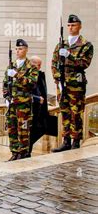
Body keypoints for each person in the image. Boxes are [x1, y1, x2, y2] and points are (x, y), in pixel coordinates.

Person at [52, 14, 94, 152]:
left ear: (80, 26)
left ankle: (76, 141)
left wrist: (69, 55)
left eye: (74, 25)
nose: (71, 28)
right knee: (65, 111)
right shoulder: (61, 44)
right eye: (69, 25)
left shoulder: (86, 45)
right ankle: (66, 141)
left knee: (76, 112)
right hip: (62, 84)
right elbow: (54, 63)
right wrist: (57, 79)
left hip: (76, 85)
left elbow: (84, 63)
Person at [3, 39, 38, 161]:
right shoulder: (11, 66)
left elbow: (32, 84)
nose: (18, 51)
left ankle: (23, 152)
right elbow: (5, 84)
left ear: (26, 50)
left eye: (21, 49)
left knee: (23, 128)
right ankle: (14, 152)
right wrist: (6, 96)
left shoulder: (31, 67)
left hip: (23, 104)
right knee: (12, 128)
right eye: (17, 49)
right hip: (12, 103)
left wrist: (17, 75)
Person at [29, 56, 48, 156]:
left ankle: (27, 148)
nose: (40, 67)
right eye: (38, 65)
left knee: (42, 128)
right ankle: (26, 151)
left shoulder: (40, 75)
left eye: (40, 65)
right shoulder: (28, 75)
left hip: (40, 109)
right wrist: (36, 98)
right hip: (30, 107)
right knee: (30, 131)